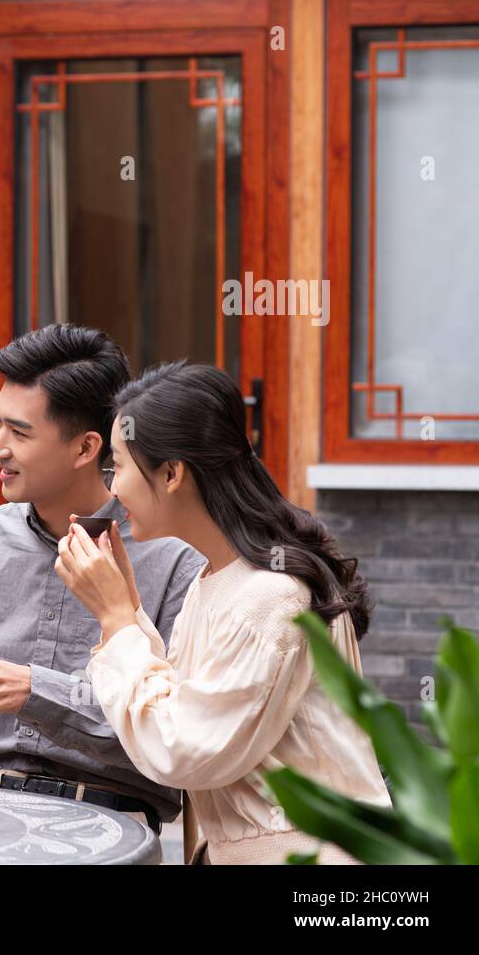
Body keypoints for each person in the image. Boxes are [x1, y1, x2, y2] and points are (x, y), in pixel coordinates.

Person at [56, 361, 392, 864]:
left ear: (171, 474)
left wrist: (116, 620)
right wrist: (126, 609)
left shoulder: (272, 595)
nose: (113, 488)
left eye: (119, 466)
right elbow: (187, 706)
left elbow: (184, 748)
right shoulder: (219, 576)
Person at [0, 325, 204, 847]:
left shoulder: (174, 556)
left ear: (87, 447)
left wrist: (36, 692)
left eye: (19, 433)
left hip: (112, 827)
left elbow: (175, 732)